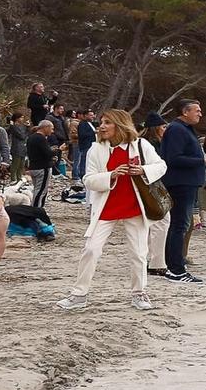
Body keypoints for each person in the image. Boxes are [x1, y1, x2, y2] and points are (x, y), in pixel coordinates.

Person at [59, 109, 167, 311]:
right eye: (101, 122)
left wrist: (143, 170)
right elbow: (88, 179)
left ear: (120, 124)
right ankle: (79, 294)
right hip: (106, 207)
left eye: (107, 122)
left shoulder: (141, 145)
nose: (101, 126)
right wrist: (111, 175)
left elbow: (161, 166)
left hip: (135, 206)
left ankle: (139, 293)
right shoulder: (96, 149)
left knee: (138, 253)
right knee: (91, 249)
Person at [158, 100, 206, 282]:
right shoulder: (177, 129)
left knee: (180, 225)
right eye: (197, 110)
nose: (200, 114)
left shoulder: (183, 129)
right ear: (185, 112)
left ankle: (175, 265)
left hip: (186, 183)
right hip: (180, 183)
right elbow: (174, 158)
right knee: (179, 225)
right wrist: (203, 160)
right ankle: (175, 269)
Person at [26, 120, 56, 209]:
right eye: (51, 128)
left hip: (33, 167)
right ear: (45, 127)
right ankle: (36, 211)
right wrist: (58, 150)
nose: (52, 131)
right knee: (41, 191)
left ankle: (36, 209)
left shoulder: (31, 137)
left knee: (37, 189)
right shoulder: (41, 138)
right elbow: (48, 153)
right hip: (43, 168)